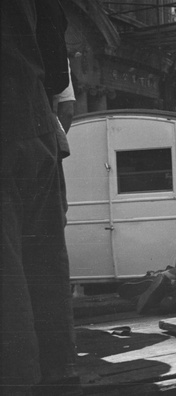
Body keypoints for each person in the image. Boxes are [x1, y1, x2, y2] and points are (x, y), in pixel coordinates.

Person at [2, 1, 80, 394]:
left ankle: (16, 375)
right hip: (34, 119)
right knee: (45, 254)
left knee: (6, 266)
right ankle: (60, 367)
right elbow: (55, 57)